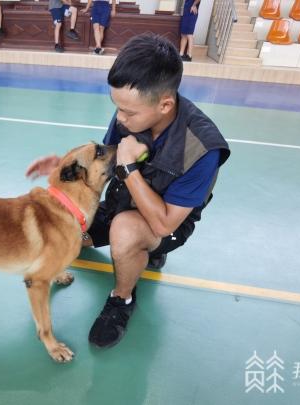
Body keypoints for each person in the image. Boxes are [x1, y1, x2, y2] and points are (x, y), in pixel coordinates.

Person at [25, 34, 230, 348]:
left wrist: (130, 168)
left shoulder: (202, 148)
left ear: (164, 104)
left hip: (164, 225)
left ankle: (122, 298)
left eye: (128, 113)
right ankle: (137, 254)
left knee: (125, 233)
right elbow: (105, 164)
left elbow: (165, 223)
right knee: (66, 232)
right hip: (118, 204)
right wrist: (66, 168)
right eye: (117, 108)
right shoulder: (132, 113)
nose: (120, 119)